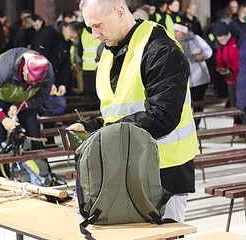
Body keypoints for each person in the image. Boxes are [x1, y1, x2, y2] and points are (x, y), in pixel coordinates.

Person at [71, 0, 199, 223]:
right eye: (90, 27)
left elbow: (162, 116)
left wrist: (103, 137)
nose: (94, 34)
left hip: (165, 173)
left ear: (119, 12)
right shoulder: (108, 50)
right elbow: (120, 110)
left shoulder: (161, 49)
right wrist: (92, 127)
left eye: (98, 25)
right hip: (125, 167)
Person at [0, 48, 54, 176]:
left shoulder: (48, 71)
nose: (31, 83)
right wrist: (3, 118)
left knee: (34, 134)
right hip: (0, 99)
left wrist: (22, 105)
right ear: (24, 68)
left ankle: (43, 174)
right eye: (29, 80)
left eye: (35, 83)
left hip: (26, 100)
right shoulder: (5, 66)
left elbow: (42, 97)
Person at [31, 20, 83, 144]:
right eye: (71, 36)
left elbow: (65, 64)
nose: (71, 39)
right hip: (37, 79)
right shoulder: (47, 34)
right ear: (65, 27)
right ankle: (36, 142)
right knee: (35, 111)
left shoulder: (66, 41)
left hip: (53, 78)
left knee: (51, 109)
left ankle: (49, 140)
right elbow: (39, 60)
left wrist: (62, 83)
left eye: (74, 38)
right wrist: (47, 82)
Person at [174, 23, 212, 130]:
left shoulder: (195, 39)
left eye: (177, 31)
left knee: (198, 103)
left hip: (199, 78)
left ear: (183, 32)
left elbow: (208, 51)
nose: (175, 33)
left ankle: (196, 125)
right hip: (185, 80)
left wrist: (202, 56)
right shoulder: (174, 42)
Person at [214, 22, 242, 126]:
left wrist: (232, 69)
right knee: (233, 102)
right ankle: (237, 123)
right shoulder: (221, 46)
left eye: (222, 36)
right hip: (230, 79)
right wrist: (220, 68)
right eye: (218, 37)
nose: (220, 39)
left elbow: (240, 60)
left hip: (240, 77)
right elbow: (219, 59)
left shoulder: (237, 42)